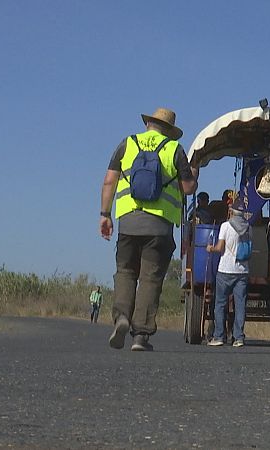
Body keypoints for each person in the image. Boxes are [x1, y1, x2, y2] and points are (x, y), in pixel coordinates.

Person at [100, 107, 198, 351]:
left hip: (128, 222)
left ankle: (121, 316)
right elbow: (187, 188)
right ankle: (140, 336)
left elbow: (109, 180)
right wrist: (192, 177)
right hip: (159, 226)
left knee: (125, 271)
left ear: (148, 125)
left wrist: (105, 214)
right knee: (150, 278)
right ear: (170, 131)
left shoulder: (128, 143)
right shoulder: (174, 149)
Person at [205, 198, 251, 347]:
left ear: (231, 211)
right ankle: (238, 337)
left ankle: (219, 336)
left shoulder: (225, 226)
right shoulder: (249, 227)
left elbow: (220, 248)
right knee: (240, 304)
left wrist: (210, 248)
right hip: (242, 271)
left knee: (220, 304)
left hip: (225, 269)